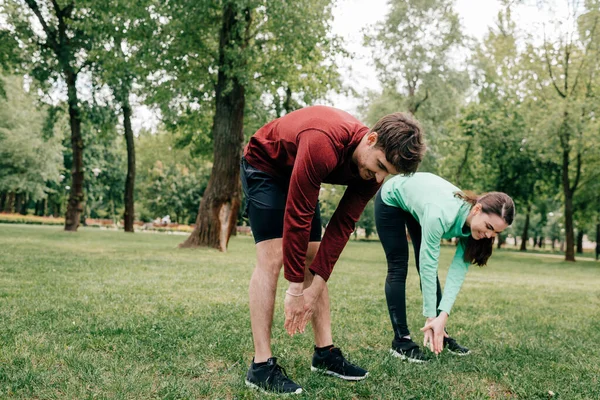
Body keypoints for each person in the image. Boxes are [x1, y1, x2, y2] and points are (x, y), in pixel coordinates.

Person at [241, 105, 425, 394]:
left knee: (313, 256)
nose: (378, 179)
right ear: (371, 139)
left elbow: (342, 226)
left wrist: (313, 289)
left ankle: (325, 354)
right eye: (380, 167)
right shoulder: (322, 142)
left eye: (387, 174)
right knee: (273, 256)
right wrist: (294, 289)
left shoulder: (372, 174)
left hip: (301, 173)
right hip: (266, 165)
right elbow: (298, 215)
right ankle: (261, 366)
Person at [374, 172, 515, 363]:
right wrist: (431, 317)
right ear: (477, 209)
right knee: (398, 267)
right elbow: (428, 265)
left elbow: (457, 273)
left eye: (495, 232)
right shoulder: (439, 214)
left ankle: (442, 332)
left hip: (421, 203)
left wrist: (443, 317)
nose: (489, 235)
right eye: (489, 226)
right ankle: (401, 341)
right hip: (393, 197)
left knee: (426, 269)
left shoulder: (475, 229)